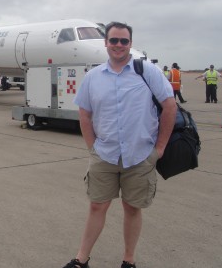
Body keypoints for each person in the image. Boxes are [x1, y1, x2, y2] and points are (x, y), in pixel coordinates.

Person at [62, 22, 176, 268]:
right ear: (106, 43)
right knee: (96, 206)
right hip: (105, 154)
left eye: (124, 41)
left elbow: (170, 106)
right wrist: (92, 148)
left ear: (130, 44)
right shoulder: (93, 77)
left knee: (133, 208)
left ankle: (129, 260)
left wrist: (160, 149)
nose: (118, 45)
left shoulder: (147, 72)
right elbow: (84, 114)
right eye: (114, 40)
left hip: (140, 155)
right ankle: (81, 259)